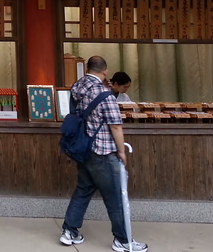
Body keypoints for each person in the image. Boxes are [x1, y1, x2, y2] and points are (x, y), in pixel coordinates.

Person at [61, 56, 148, 252]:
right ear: (105, 71)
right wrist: (122, 151)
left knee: (83, 190)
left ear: (86, 68)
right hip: (102, 151)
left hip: (83, 148)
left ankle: (70, 231)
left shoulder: (77, 87)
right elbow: (116, 126)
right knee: (115, 196)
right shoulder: (104, 93)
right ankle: (123, 240)